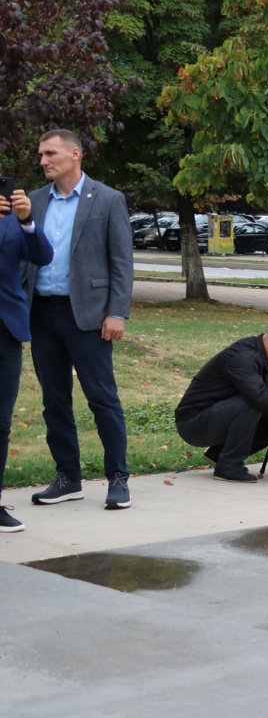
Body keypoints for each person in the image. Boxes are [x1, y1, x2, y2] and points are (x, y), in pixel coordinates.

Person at [23, 130, 135, 510]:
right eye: (41, 155)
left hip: (88, 316)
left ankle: (118, 478)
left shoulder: (107, 199)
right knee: (54, 401)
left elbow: (121, 261)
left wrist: (116, 312)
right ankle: (68, 478)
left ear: (75, 154)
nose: (43, 161)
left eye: (50, 153)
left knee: (102, 400)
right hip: (42, 314)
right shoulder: (35, 201)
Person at [174, 321, 268, 482]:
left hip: (215, 416)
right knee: (252, 404)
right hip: (192, 424)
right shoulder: (243, 357)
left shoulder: (265, 360)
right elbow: (258, 397)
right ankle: (229, 466)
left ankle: (218, 454)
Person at [0, 182, 54, 531]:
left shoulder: (12, 218)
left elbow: (42, 256)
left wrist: (27, 222)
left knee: (1, 422)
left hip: (6, 328)